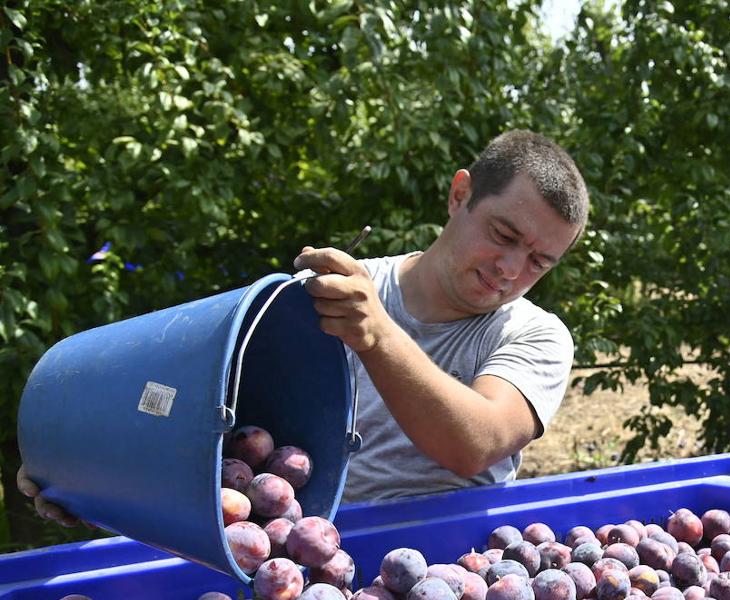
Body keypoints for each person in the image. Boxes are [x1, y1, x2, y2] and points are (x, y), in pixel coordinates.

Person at [17, 129, 590, 521]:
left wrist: (376, 334)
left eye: (540, 262)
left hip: (450, 573)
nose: (511, 269)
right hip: (303, 555)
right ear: (459, 194)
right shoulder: (330, 298)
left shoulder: (533, 334)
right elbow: (212, 419)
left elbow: (477, 444)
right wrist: (87, 468)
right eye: (504, 235)